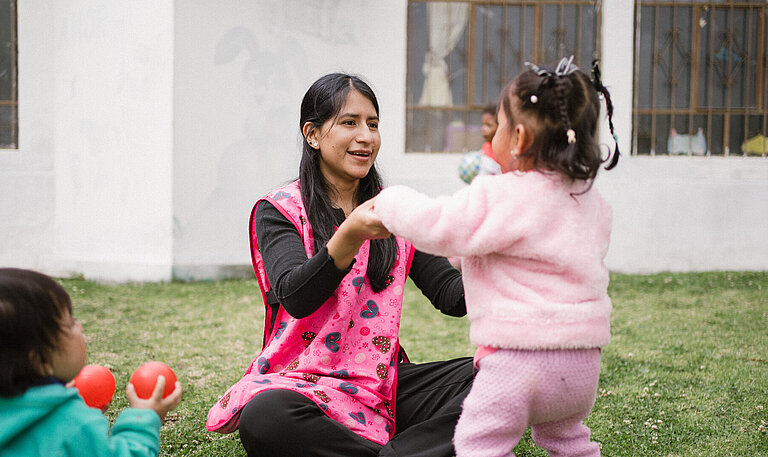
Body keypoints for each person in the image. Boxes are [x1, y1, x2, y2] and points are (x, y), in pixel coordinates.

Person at [206, 73, 473, 456]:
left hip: (380, 385)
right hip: (302, 384)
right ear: (312, 135)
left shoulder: (395, 209)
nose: (366, 136)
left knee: (499, 374)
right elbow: (296, 296)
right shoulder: (280, 209)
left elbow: (451, 296)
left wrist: (498, 256)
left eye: (373, 124)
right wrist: (350, 234)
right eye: (349, 122)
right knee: (265, 417)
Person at [373, 57, 620, 456]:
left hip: (519, 363)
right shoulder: (591, 202)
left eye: (499, 126)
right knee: (564, 439)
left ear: (518, 138)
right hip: (581, 366)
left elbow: (440, 224)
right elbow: (524, 254)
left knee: (478, 444)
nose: (493, 135)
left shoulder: (503, 194)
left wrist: (390, 203)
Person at [0, 268, 183, 457]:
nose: (79, 326)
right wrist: (144, 418)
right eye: (70, 323)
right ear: (40, 360)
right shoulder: (75, 425)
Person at [458, 104, 501, 184]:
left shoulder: (503, 152)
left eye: (489, 125)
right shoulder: (485, 148)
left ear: (500, 127)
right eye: (483, 124)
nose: (483, 129)